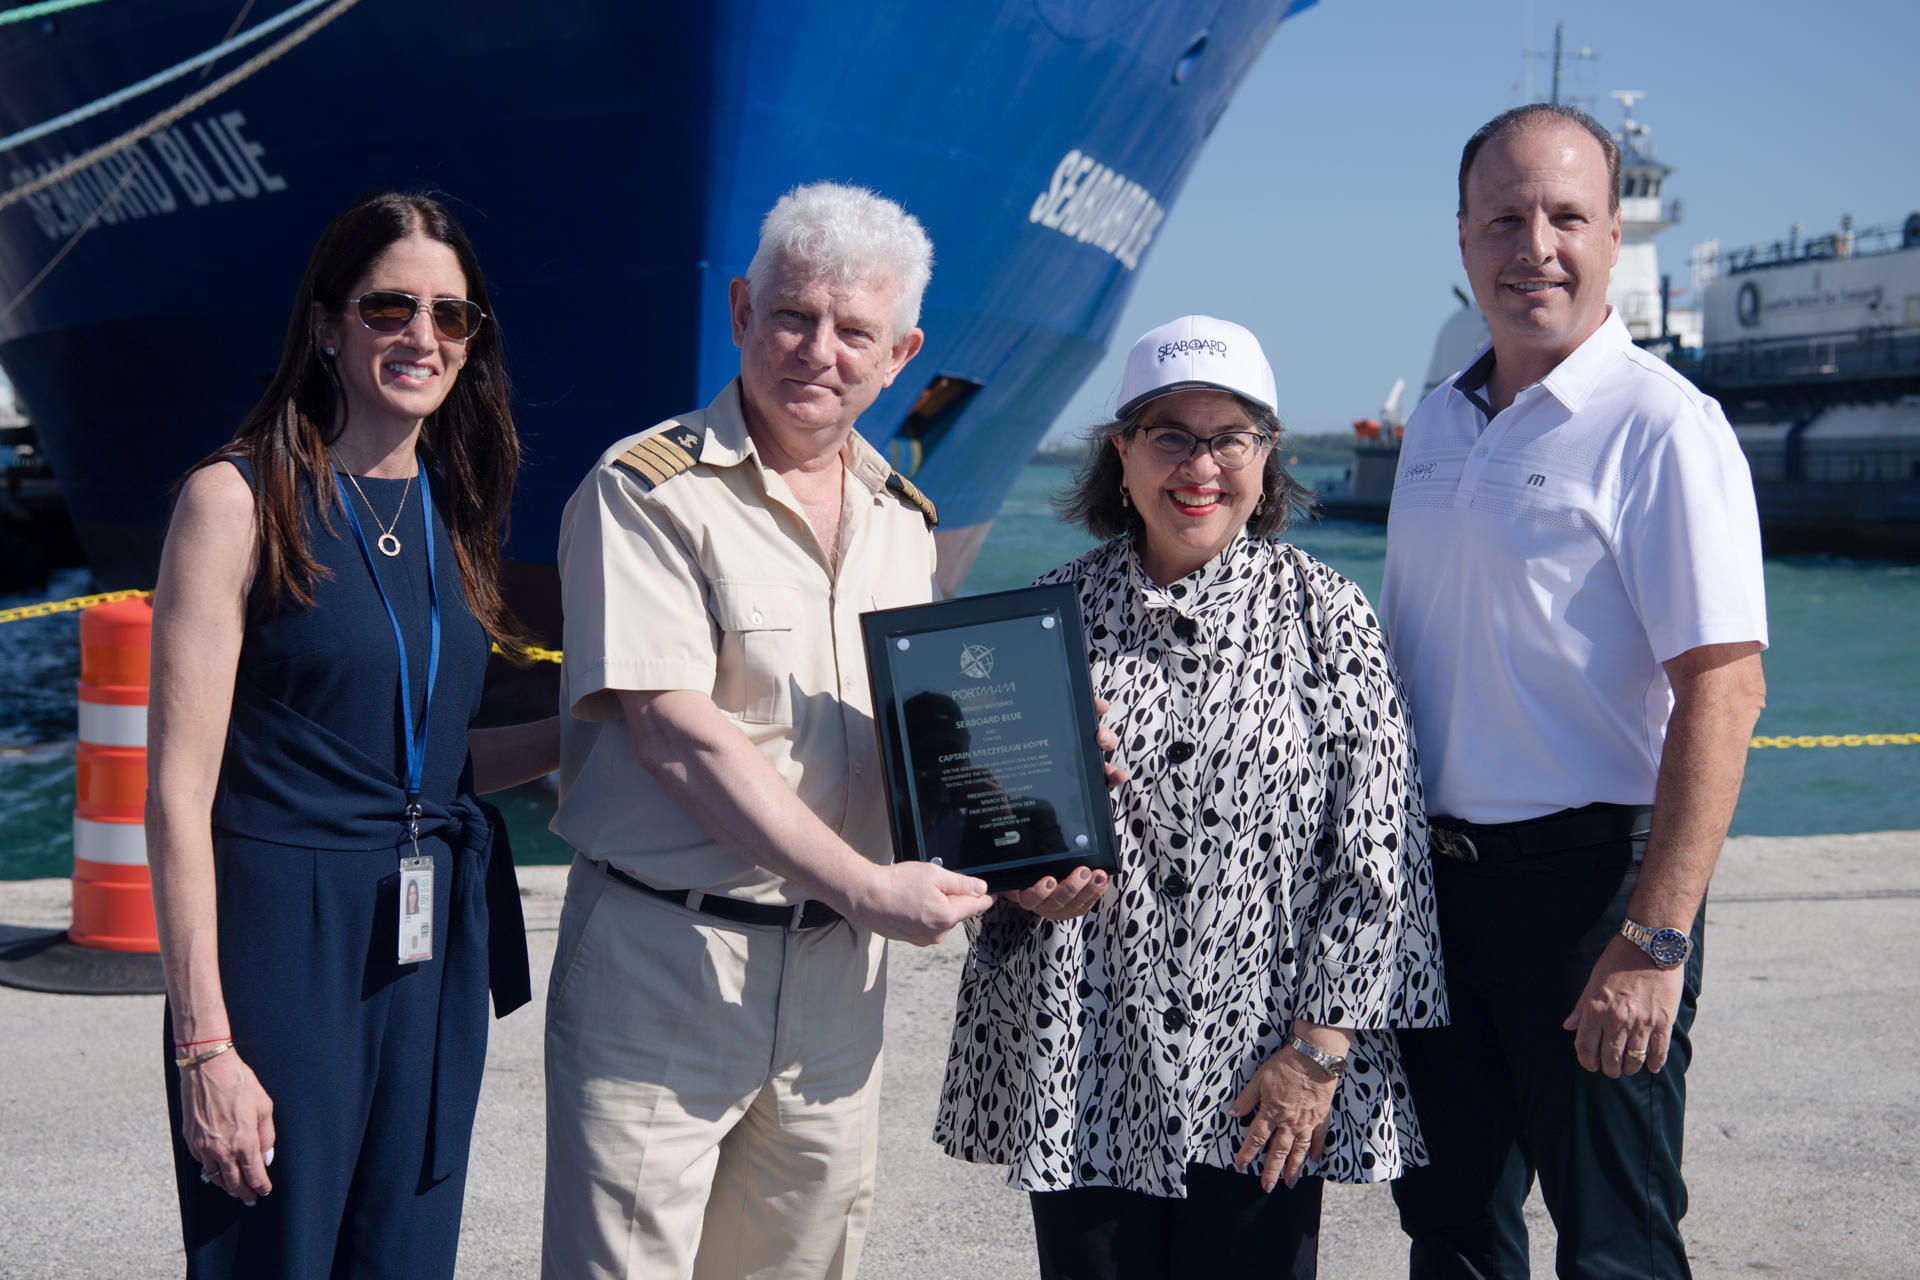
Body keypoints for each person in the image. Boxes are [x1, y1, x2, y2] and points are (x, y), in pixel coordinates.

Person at [542, 181, 1000, 1280]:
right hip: (666, 959)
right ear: (742, 309)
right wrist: (865, 884)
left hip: (838, 982)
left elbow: (923, 740)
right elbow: (676, 735)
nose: (819, 349)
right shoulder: (646, 490)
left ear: (902, 353)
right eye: (795, 314)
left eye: (856, 330)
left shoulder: (903, 525)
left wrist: (1035, 813)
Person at [936, 315, 1448, 1280]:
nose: (1199, 465)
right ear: (1121, 455)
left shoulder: (1327, 614)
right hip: (1086, 1055)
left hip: (1267, 1070)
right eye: (1169, 434)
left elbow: (1381, 857)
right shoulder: (1042, 616)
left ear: (1267, 458)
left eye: (1230, 437)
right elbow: (981, 822)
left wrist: (1319, 1057)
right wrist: (1019, 883)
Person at [1382, 105, 1769, 1279]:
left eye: (1565, 216)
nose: (1533, 246)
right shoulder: (1437, 422)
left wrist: (1655, 936)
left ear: (1612, 232)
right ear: (1461, 239)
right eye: (1505, 217)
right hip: (1434, 897)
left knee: (1616, 1246)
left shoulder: (1666, 428)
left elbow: (1725, 686)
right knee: (1449, 1232)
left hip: (1594, 896)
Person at [146, 190, 560, 1279]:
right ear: (328, 323)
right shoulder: (237, 501)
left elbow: (425, 762)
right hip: (286, 945)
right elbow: (178, 795)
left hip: (427, 952)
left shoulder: (453, 507)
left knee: (407, 1258)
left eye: (452, 315)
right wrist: (205, 1045)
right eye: (390, 306)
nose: (422, 335)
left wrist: (579, 737)